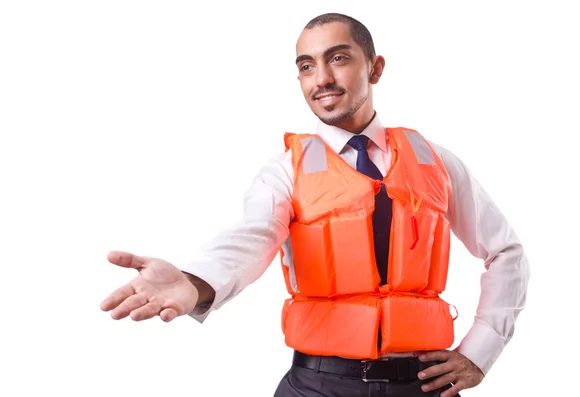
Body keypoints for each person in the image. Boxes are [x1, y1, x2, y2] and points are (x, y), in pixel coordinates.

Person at [100, 13, 530, 397]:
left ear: (375, 68)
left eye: (338, 59)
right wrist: (195, 282)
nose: (320, 78)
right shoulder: (286, 170)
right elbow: (253, 235)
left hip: (421, 384)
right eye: (306, 67)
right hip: (317, 387)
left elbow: (506, 250)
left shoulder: (436, 161)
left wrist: (479, 352)